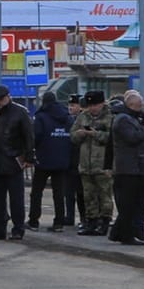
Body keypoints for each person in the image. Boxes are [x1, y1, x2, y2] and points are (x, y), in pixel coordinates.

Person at [0, 85, 35, 241]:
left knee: (16, 199)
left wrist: (29, 157)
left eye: (1, 99)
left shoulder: (20, 112)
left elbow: (29, 136)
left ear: (8, 97)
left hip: (13, 160)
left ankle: (18, 229)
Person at [110, 90, 144, 246]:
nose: (141, 107)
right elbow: (132, 138)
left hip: (139, 168)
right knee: (127, 205)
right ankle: (126, 235)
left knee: (138, 204)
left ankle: (131, 232)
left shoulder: (134, 118)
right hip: (127, 169)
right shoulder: (123, 120)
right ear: (131, 105)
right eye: (139, 105)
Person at [29, 90, 72, 232]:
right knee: (59, 193)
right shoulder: (67, 117)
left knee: (37, 191)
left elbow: (37, 137)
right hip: (62, 160)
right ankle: (59, 222)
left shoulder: (41, 117)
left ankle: (34, 221)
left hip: (44, 159)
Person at [71, 90, 113, 237]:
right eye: (90, 105)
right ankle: (91, 222)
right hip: (85, 164)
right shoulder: (83, 117)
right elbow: (73, 136)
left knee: (105, 195)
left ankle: (104, 222)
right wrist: (80, 134)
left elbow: (112, 138)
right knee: (88, 196)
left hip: (102, 165)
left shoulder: (110, 117)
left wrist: (95, 134)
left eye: (95, 105)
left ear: (102, 103)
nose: (93, 108)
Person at [63, 95, 84, 230]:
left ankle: (84, 217)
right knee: (68, 192)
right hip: (69, 161)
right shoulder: (67, 120)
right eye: (69, 105)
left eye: (74, 105)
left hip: (81, 161)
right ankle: (69, 216)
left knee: (81, 193)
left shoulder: (83, 120)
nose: (71, 108)